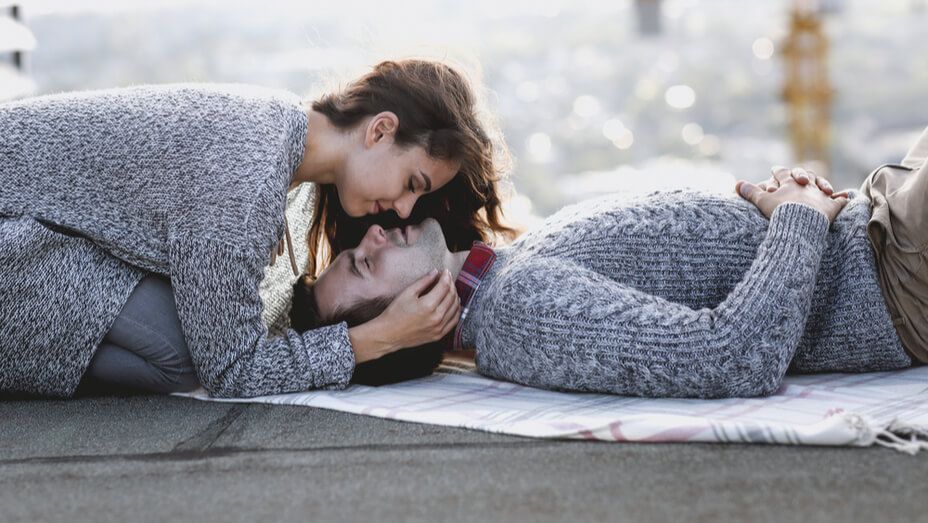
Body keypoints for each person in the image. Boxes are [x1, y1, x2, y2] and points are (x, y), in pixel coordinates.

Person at [0, 59, 515, 398]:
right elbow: (230, 370)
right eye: (412, 183)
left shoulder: (286, 148)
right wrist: (376, 337)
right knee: (184, 355)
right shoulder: (247, 171)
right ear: (379, 130)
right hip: (14, 236)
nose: (404, 211)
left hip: (38, 233)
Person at [291, 166, 924, 398]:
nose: (370, 236)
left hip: (881, 213)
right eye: (364, 265)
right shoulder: (520, 315)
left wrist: (780, 206)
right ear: (413, 316)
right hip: (896, 269)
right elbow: (731, 358)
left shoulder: (506, 270)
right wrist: (796, 220)